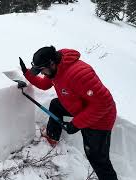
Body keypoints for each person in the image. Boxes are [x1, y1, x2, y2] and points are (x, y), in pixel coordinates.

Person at [19, 46, 118, 180]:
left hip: (99, 119)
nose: (42, 74)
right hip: (80, 108)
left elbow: (104, 103)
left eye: (42, 70)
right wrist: (27, 73)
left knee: (97, 159)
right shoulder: (56, 70)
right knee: (56, 105)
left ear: (51, 64)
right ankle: (52, 137)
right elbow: (45, 84)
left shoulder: (79, 74)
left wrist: (76, 124)